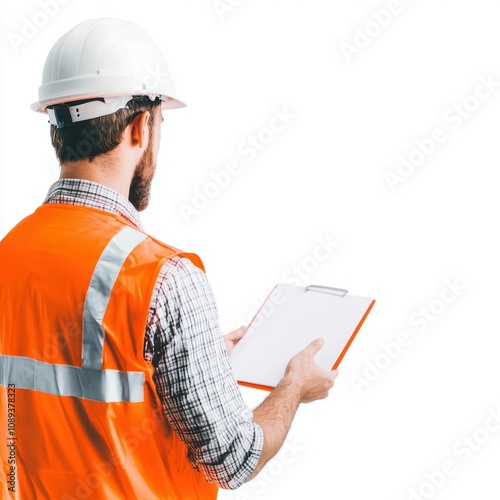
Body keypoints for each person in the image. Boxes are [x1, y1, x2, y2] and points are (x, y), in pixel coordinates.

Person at [0, 18, 337, 499]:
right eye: (161, 123)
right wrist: (294, 386)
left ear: (56, 129)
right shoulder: (163, 277)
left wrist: (187, 359)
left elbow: (58, 380)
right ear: (141, 126)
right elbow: (235, 457)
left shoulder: (9, 252)